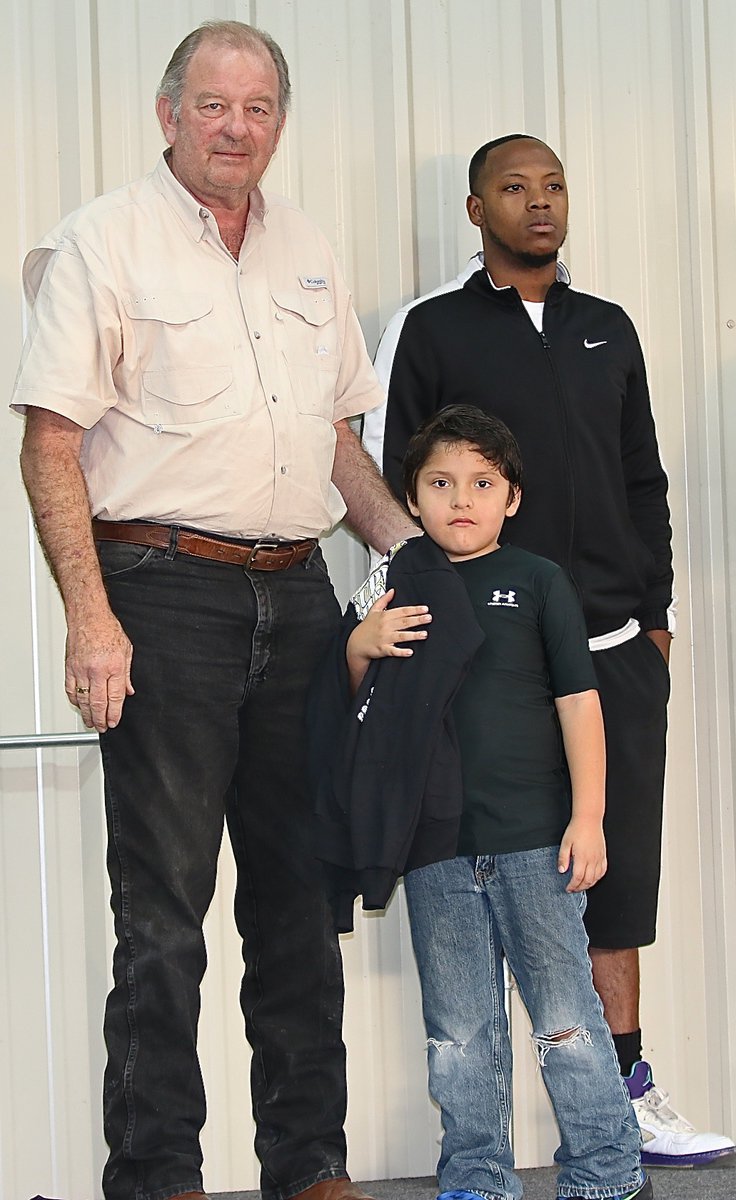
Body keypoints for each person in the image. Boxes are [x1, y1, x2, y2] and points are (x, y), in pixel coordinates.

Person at [11, 20, 416, 1200]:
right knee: (166, 916)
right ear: (167, 112)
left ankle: (310, 1169)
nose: (235, 127)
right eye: (212, 105)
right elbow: (49, 447)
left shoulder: (306, 247)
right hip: (163, 593)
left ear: (278, 121)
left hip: (300, 599)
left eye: (257, 108)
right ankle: (157, 1178)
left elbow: (336, 440)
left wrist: (405, 548)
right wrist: (92, 620)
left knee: (298, 908)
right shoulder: (102, 241)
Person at [363, 133, 735, 1169]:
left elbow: (644, 481)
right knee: (479, 872)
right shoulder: (431, 329)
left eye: (555, 185)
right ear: (476, 208)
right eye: (515, 188)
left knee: (609, 873)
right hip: (493, 648)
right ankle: (477, 1144)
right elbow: (399, 484)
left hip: (614, 644)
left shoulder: (606, 330)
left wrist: (653, 617)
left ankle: (627, 1099)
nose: (540, 203)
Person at [319, 404, 650, 1200]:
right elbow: (350, 703)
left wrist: (590, 817)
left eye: (482, 482)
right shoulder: (395, 582)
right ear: (411, 494)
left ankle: (607, 1171)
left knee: (568, 1019)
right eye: (440, 482)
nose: (460, 498)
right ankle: (476, 1176)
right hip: (435, 852)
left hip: (540, 844)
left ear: (512, 498)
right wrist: (359, 646)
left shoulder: (540, 583)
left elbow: (580, 704)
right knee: (459, 1034)